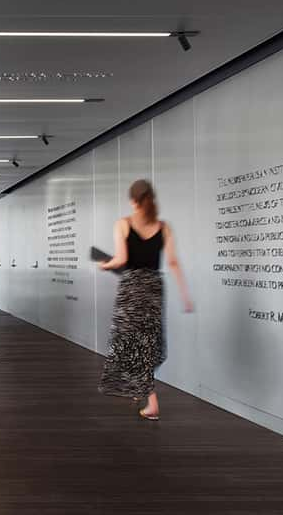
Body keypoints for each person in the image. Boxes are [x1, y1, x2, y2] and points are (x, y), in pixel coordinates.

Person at [98, 179, 193, 420]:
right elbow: (172, 262)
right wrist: (185, 295)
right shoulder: (164, 227)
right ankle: (140, 387)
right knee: (148, 343)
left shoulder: (123, 224)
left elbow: (121, 259)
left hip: (131, 288)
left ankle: (150, 400)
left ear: (133, 201)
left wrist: (104, 264)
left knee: (127, 341)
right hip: (153, 288)